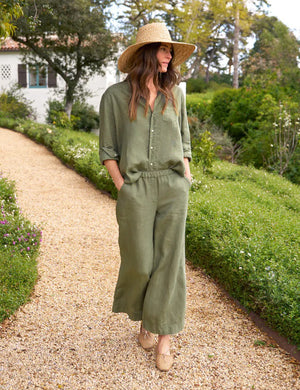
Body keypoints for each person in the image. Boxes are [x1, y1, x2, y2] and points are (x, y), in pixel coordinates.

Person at [99, 22, 195, 371]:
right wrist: (122, 186)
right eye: (163, 48)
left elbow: (185, 140)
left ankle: (164, 338)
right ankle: (146, 318)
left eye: (171, 50)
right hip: (136, 188)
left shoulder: (177, 95)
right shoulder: (114, 96)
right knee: (140, 262)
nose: (169, 55)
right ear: (145, 53)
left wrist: (185, 173)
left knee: (170, 262)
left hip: (172, 186)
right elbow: (108, 149)